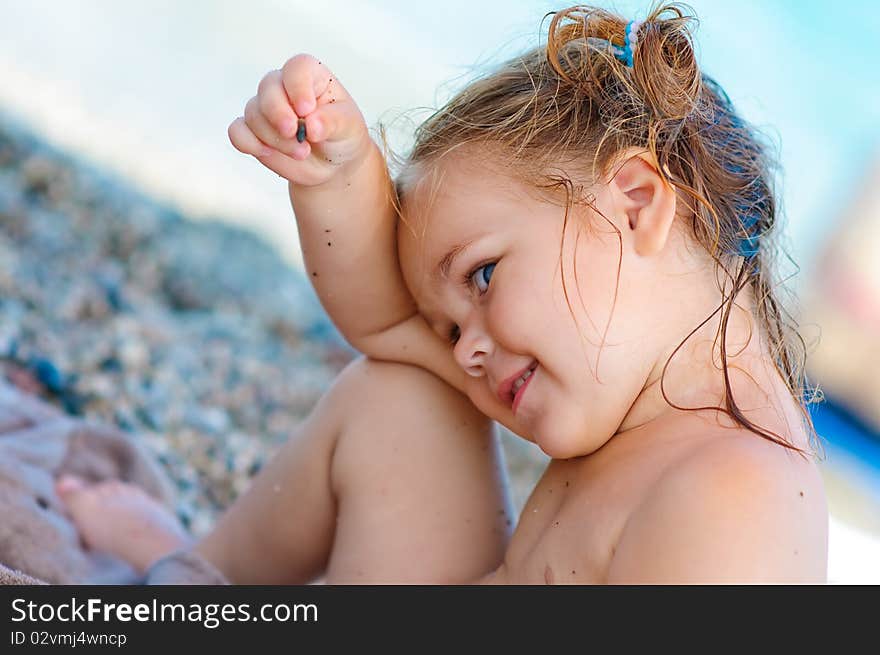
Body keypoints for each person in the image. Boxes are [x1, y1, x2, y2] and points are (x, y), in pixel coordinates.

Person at [60, 3, 828, 583]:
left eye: (484, 276)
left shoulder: (736, 499)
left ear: (633, 202)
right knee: (400, 399)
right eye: (452, 325)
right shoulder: (643, 405)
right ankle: (193, 575)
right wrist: (337, 178)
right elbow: (392, 324)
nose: (466, 349)